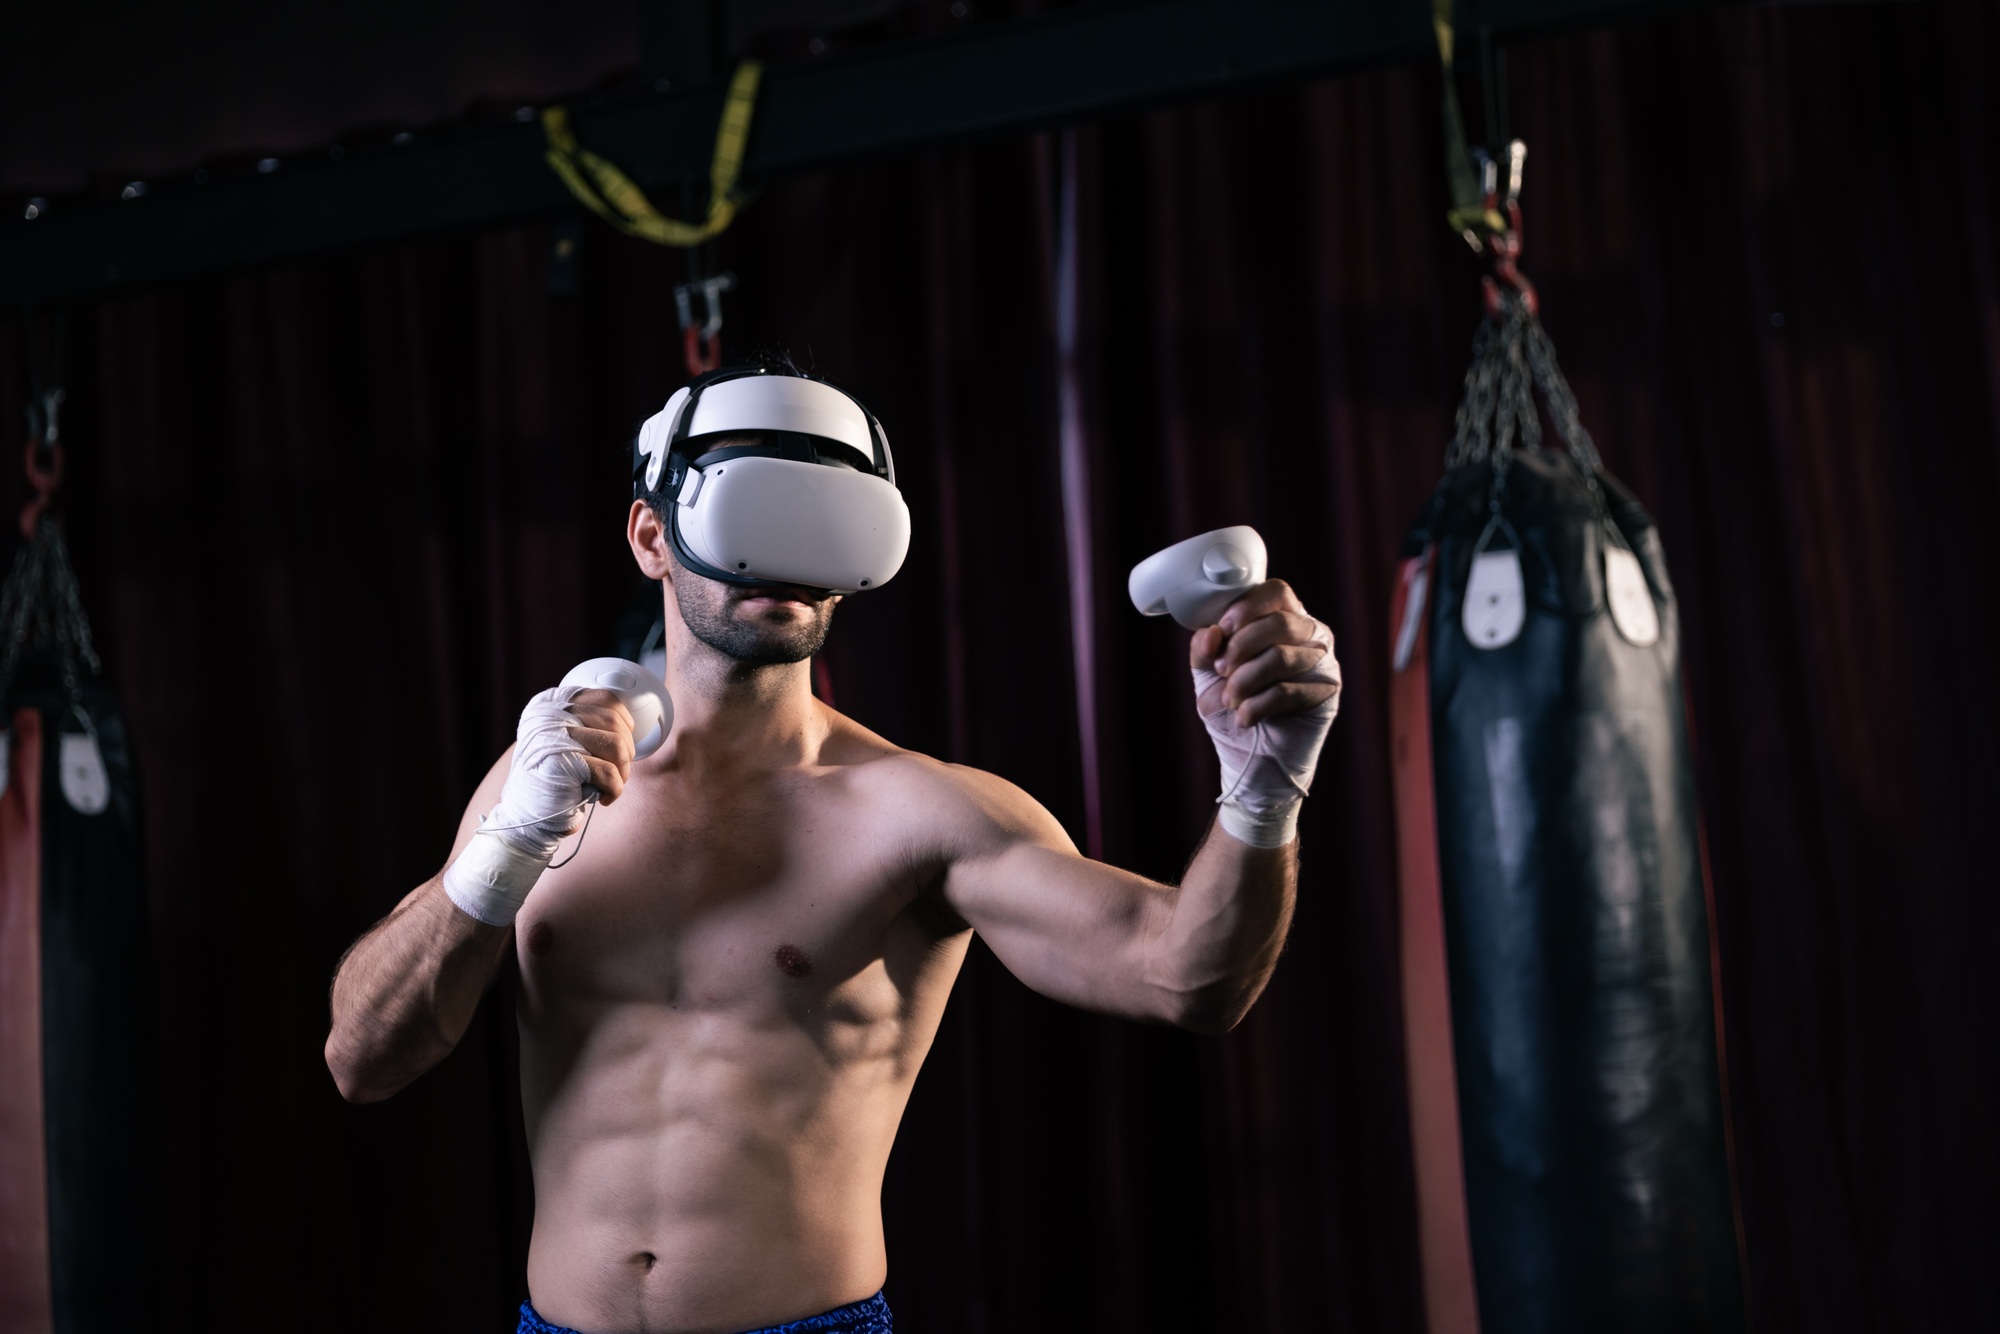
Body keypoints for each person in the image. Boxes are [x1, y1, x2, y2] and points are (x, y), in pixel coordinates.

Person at [324, 366, 1342, 1334]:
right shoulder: (542, 775)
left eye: (819, 515)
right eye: (752, 509)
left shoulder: (918, 811)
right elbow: (362, 1057)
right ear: (652, 535)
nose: (786, 556)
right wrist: (505, 848)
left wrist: (1261, 789)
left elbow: (1184, 978)